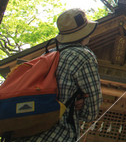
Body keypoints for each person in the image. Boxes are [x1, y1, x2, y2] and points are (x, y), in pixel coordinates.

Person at [14, 8, 103, 142]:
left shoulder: (48, 53)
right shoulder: (84, 56)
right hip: (55, 135)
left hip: (21, 133)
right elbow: (91, 110)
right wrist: (78, 105)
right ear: (84, 34)